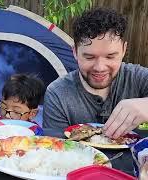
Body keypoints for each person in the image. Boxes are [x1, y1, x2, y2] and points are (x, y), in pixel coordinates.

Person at [43, 8, 148, 139]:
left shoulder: (139, 78)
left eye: (110, 57)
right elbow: (55, 149)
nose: (100, 67)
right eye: (89, 57)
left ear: (123, 49)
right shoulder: (57, 94)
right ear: (75, 52)